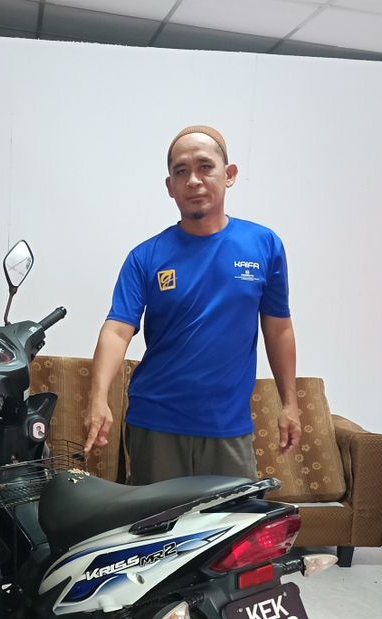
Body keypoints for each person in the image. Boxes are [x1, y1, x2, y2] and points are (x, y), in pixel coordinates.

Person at [82, 125, 300, 485]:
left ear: (229, 175)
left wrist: (289, 403)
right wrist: (98, 397)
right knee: (156, 522)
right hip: (156, 424)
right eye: (181, 171)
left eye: (205, 167)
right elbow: (117, 330)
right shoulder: (145, 257)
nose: (194, 180)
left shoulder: (264, 246)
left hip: (228, 428)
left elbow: (278, 330)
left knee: (233, 522)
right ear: (170, 186)